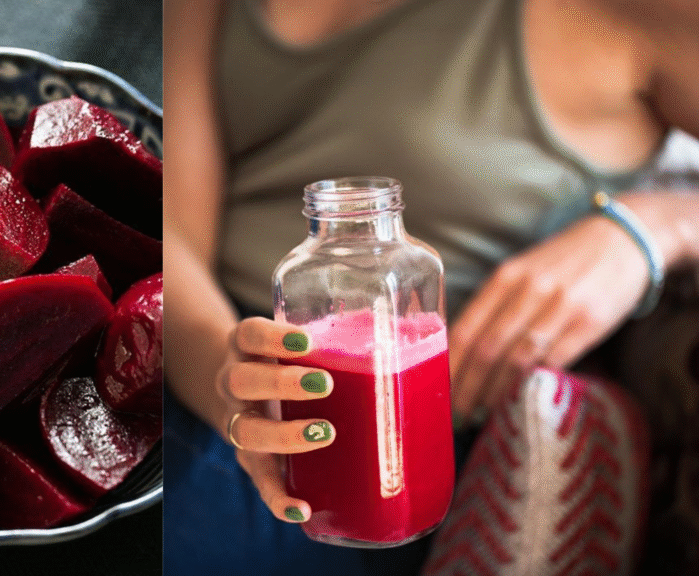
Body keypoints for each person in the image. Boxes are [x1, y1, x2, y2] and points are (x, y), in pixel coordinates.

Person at [164, 0, 699, 573]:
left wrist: (656, 227)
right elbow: (174, 235)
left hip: (399, 427)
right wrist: (231, 382)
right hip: (215, 361)